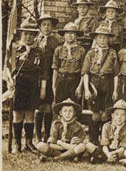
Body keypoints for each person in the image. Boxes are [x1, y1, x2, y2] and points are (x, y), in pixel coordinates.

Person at [11, 17, 49, 154]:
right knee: (18, 115)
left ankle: (28, 142)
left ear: (35, 36)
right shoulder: (15, 50)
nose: (28, 37)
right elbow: (8, 69)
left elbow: (44, 73)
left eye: (31, 34)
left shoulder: (39, 53)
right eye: (25, 33)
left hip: (33, 86)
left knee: (30, 114)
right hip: (18, 86)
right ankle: (17, 143)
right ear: (21, 34)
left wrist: (43, 89)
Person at [82, 23, 120, 145]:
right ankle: (93, 140)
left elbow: (115, 73)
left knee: (105, 114)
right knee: (95, 114)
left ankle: (103, 140)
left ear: (108, 39)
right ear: (96, 38)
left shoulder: (113, 53)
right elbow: (85, 72)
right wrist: (87, 89)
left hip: (108, 83)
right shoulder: (91, 53)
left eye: (105, 37)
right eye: (100, 37)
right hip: (94, 83)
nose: (102, 40)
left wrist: (115, 90)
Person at [35, 14, 63, 142]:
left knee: (48, 105)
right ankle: (37, 135)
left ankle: (47, 134)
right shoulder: (36, 40)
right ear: (40, 27)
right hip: (37, 76)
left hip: (51, 76)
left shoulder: (57, 41)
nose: (46, 27)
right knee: (38, 105)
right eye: (44, 24)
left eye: (49, 24)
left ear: (52, 27)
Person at [86, 100, 126, 165]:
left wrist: (113, 153)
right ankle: (110, 159)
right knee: (88, 145)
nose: (119, 117)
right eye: (116, 114)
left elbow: (123, 146)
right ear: (112, 115)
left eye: (123, 115)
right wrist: (108, 154)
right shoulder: (106, 126)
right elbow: (104, 145)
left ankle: (104, 159)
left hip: (119, 151)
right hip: (106, 151)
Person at [53, 23, 86, 106]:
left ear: (76, 35)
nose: (70, 35)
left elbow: (83, 71)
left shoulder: (81, 50)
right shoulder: (59, 49)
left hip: (75, 81)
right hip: (61, 80)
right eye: (67, 33)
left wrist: (80, 86)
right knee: (59, 106)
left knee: (75, 106)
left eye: (72, 33)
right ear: (64, 35)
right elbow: (55, 69)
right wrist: (54, 86)